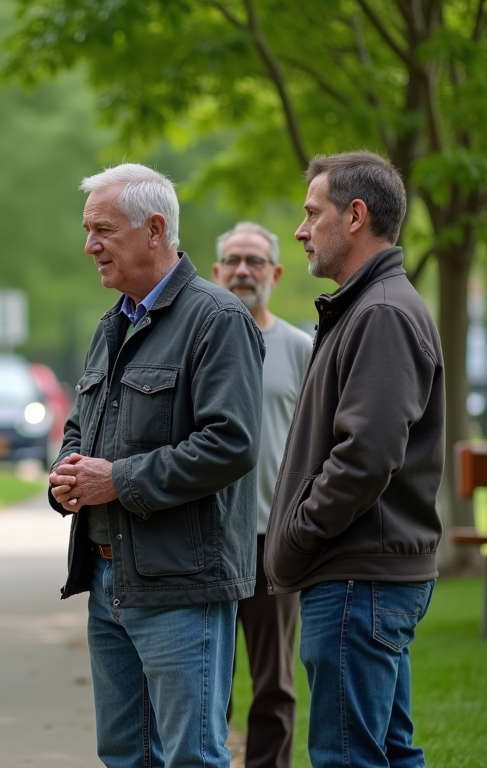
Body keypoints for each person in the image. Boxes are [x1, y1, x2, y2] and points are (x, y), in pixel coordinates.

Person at [48, 164, 265, 767]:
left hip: (181, 586)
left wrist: (115, 480)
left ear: (155, 229)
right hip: (109, 583)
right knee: (124, 755)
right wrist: (68, 470)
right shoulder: (110, 324)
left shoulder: (217, 320)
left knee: (191, 757)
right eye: (87, 229)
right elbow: (80, 426)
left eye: (102, 229)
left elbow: (231, 444)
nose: (89, 244)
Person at [265, 150, 444, 768]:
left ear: (355, 216)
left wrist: (298, 535)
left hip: (356, 578)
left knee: (351, 758)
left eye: (313, 213)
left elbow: (366, 457)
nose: (301, 229)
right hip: (363, 577)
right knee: (390, 753)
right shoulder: (367, 306)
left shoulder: (383, 313)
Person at [211, 222, 311, 768]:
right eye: (233, 260)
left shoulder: (302, 348)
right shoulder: (197, 341)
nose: (243, 271)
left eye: (254, 261)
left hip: (274, 541)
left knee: (274, 683)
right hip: (207, 539)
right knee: (209, 682)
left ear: (275, 273)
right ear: (216, 271)